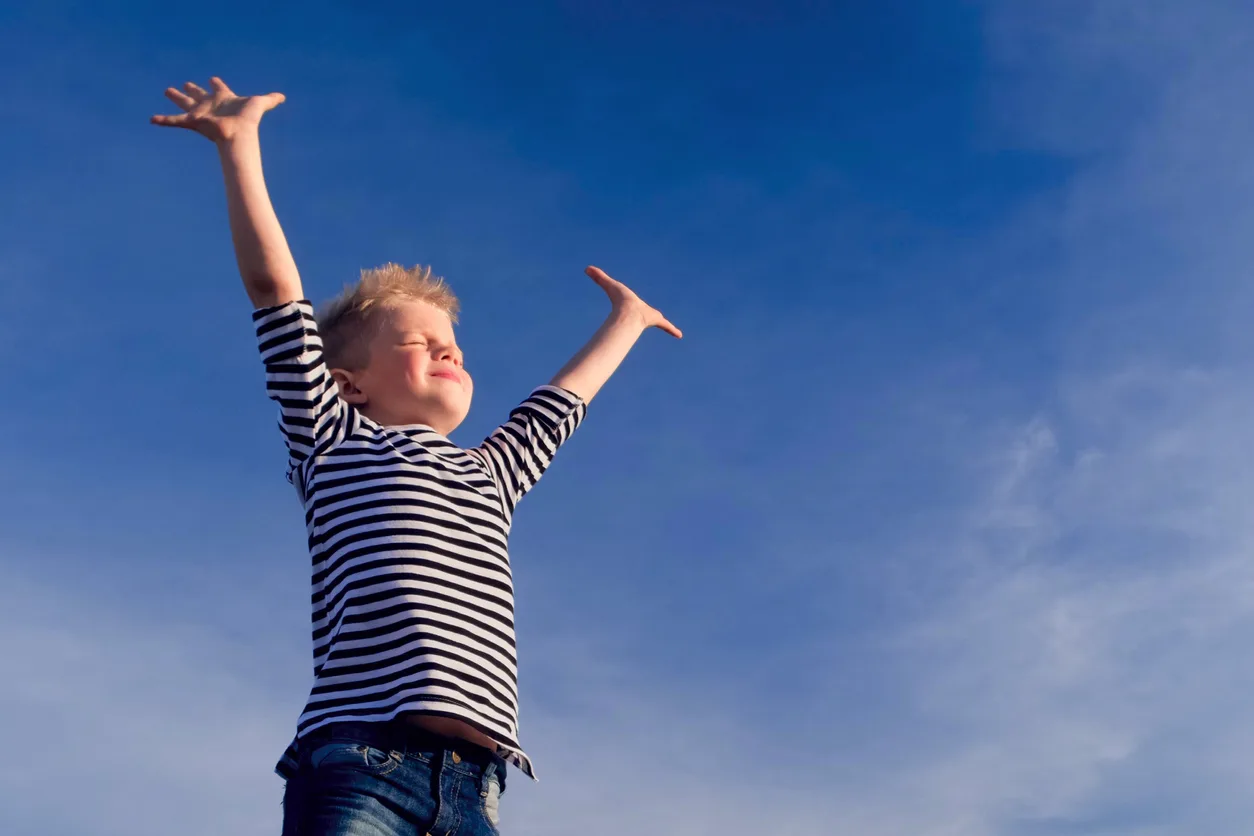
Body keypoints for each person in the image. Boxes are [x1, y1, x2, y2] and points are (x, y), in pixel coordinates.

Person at [152, 76, 682, 835]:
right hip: (363, 768)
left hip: (477, 793)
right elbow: (276, 291)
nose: (449, 353)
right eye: (420, 344)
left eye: (455, 347)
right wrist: (239, 148)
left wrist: (626, 323)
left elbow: (561, 405)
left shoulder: (490, 474)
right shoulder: (333, 439)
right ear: (349, 382)